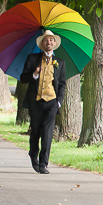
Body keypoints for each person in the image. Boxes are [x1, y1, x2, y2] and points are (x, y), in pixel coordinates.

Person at [20, 29, 66, 174]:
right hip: (36, 102)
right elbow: (23, 78)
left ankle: (44, 163)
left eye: (51, 40)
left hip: (51, 102)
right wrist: (34, 74)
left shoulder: (60, 62)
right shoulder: (32, 59)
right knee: (35, 132)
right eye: (46, 40)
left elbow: (62, 83)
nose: (49, 42)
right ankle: (34, 157)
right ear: (42, 43)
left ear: (55, 43)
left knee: (47, 133)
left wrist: (59, 101)